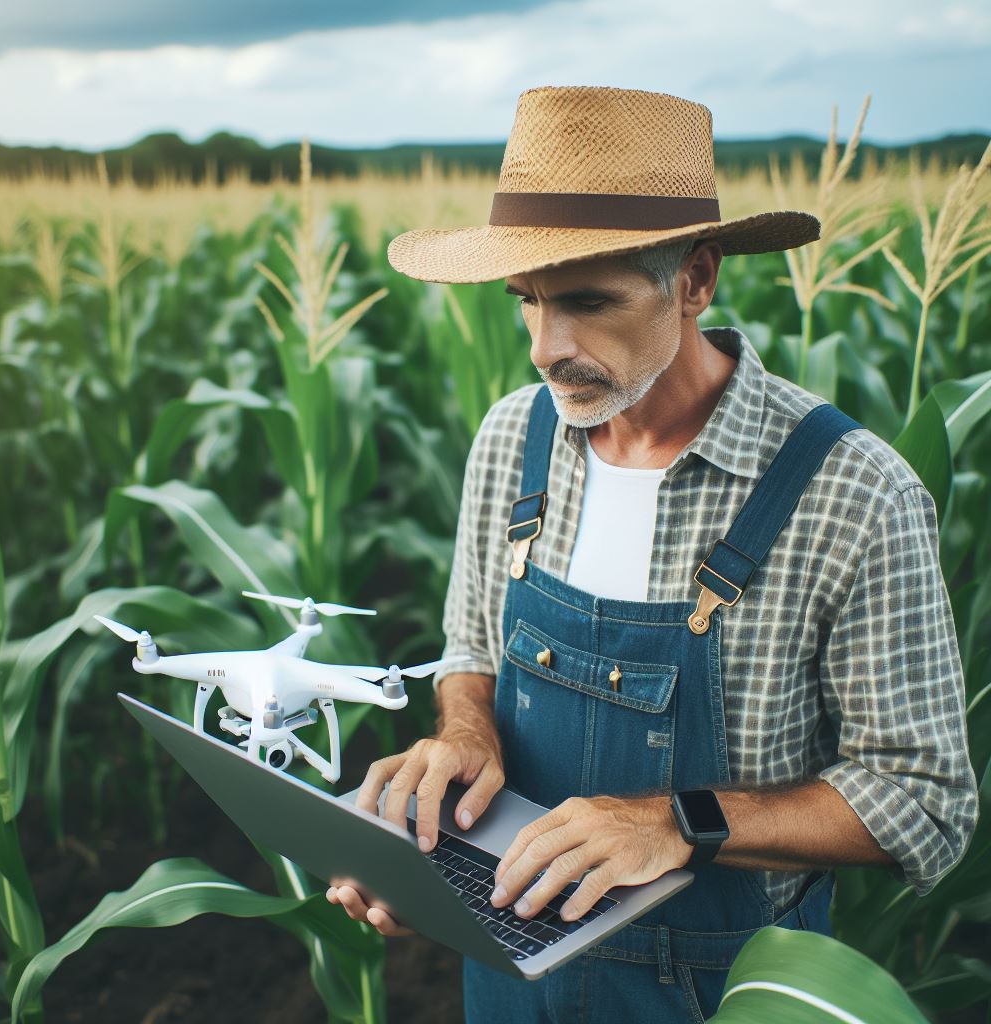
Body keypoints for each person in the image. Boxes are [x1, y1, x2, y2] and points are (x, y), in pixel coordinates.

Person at [326, 85, 978, 1022]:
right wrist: (460, 746)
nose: (547, 348)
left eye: (588, 301)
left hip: (724, 989)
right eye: (528, 302)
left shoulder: (852, 494)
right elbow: (471, 649)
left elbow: (922, 797)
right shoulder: (513, 437)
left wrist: (678, 823)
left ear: (696, 278)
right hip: (510, 968)